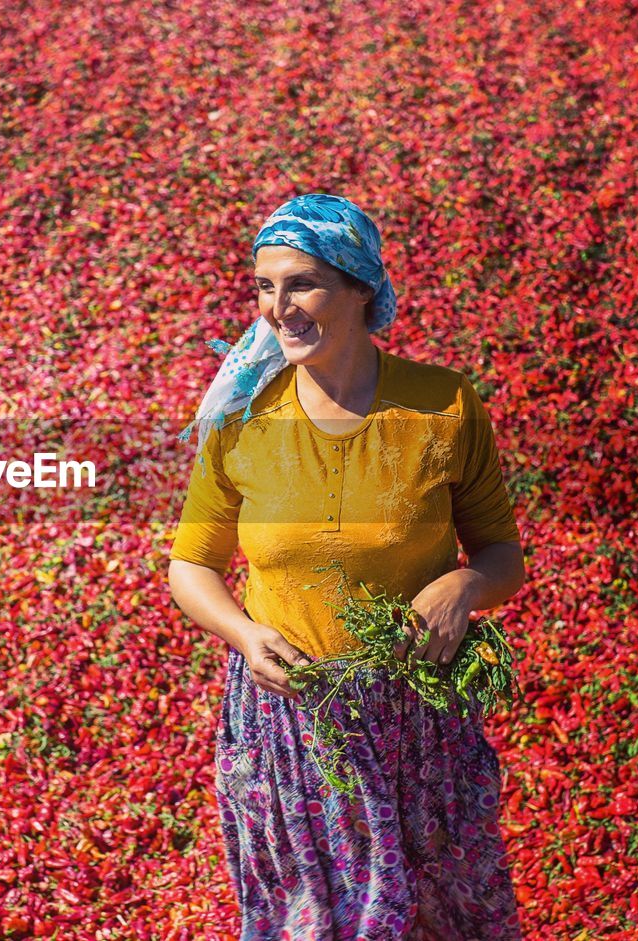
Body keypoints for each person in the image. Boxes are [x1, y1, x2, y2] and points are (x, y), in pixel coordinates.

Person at [167, 193, 526, 940]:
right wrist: (242, 633)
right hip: (290, 724)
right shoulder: (242, 417)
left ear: (360, 286)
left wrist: (463, 584)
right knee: (312, 919)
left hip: (417, 723)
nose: (278, 307)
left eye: (300, 284)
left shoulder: (441, 405)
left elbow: (502, 555)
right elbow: (190, 565)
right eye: (265, 286)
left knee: (441, 914)